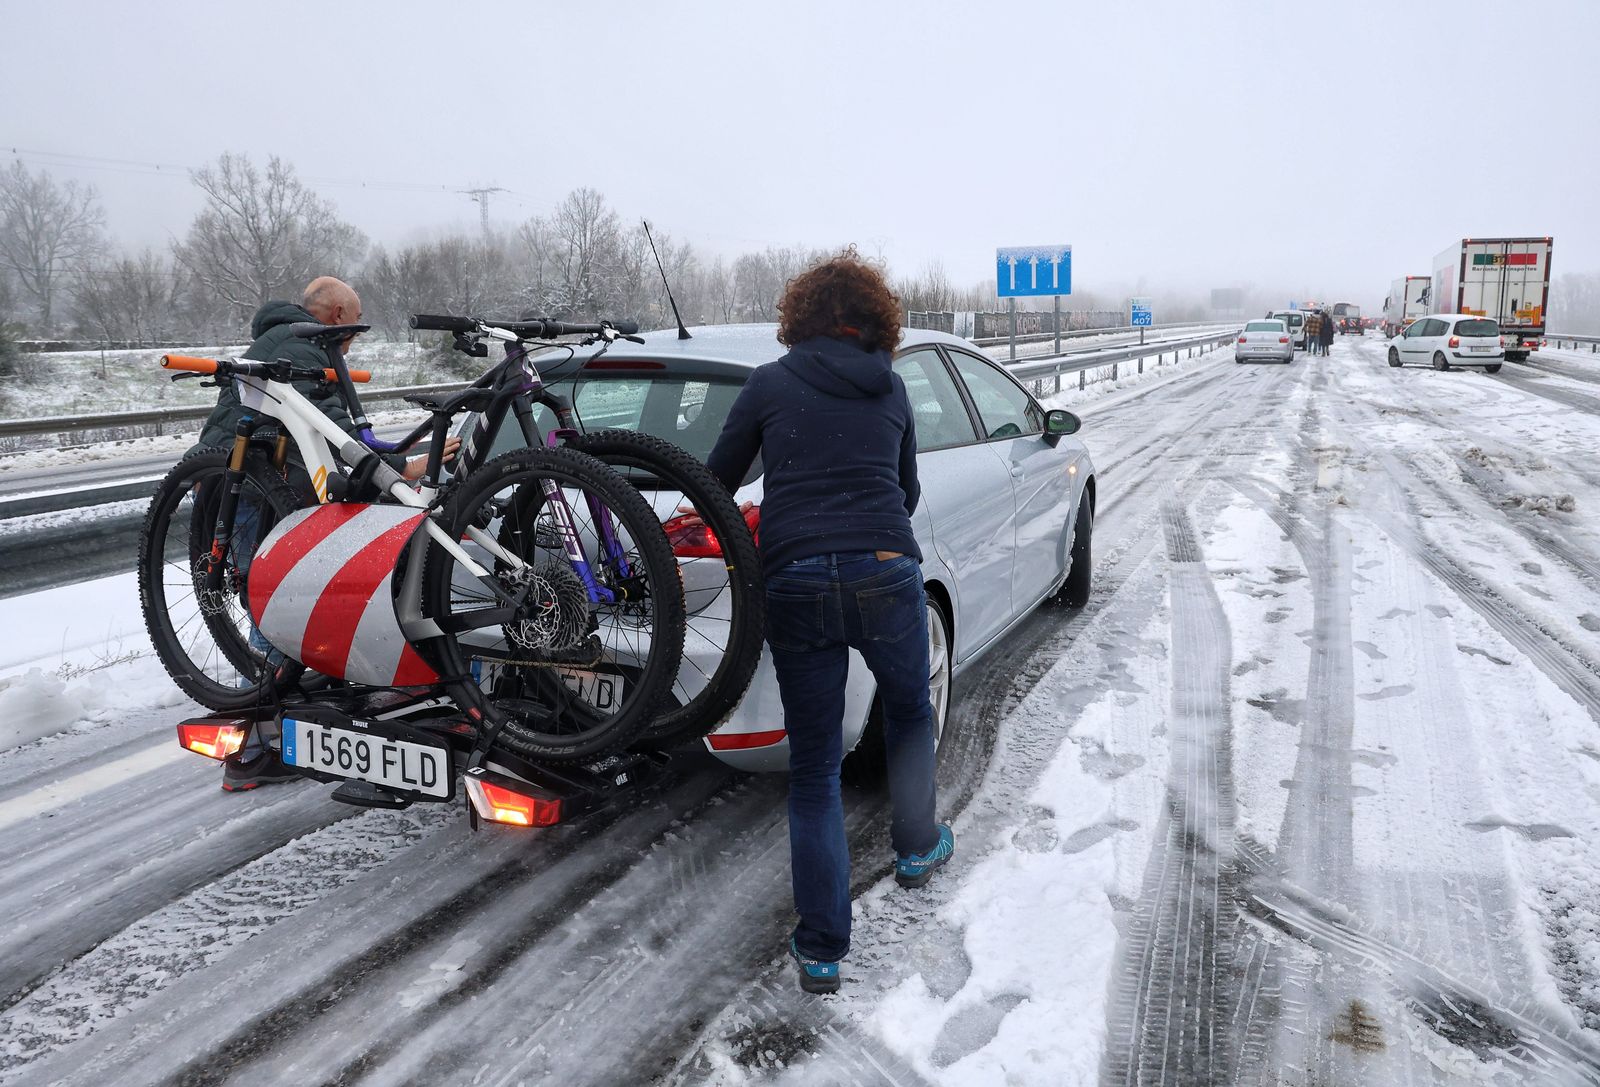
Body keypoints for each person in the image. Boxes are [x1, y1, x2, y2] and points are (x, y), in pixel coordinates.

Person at [704, 248, 954, 994]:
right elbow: (905, 490)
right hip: (885, 566)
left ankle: (821, 948)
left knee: (814, 765)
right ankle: (916, 848)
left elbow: (717, 481)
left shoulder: (769, 385)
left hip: (796, 578)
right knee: (909, 708)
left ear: (800, 316)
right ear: (875, 319)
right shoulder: (893, 390)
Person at [200, 277, 456, 791]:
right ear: (337, 315)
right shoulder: (302, 344)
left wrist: (394, 455)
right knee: (268, 599)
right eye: (353, 331)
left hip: (261, 482)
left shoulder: (280, 338)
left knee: (269, 593)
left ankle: (275, 722)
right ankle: (255, 746)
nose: (352, 344)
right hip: (256, 488)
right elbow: (339, 430)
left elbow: (340, 434)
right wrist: (402, 466)